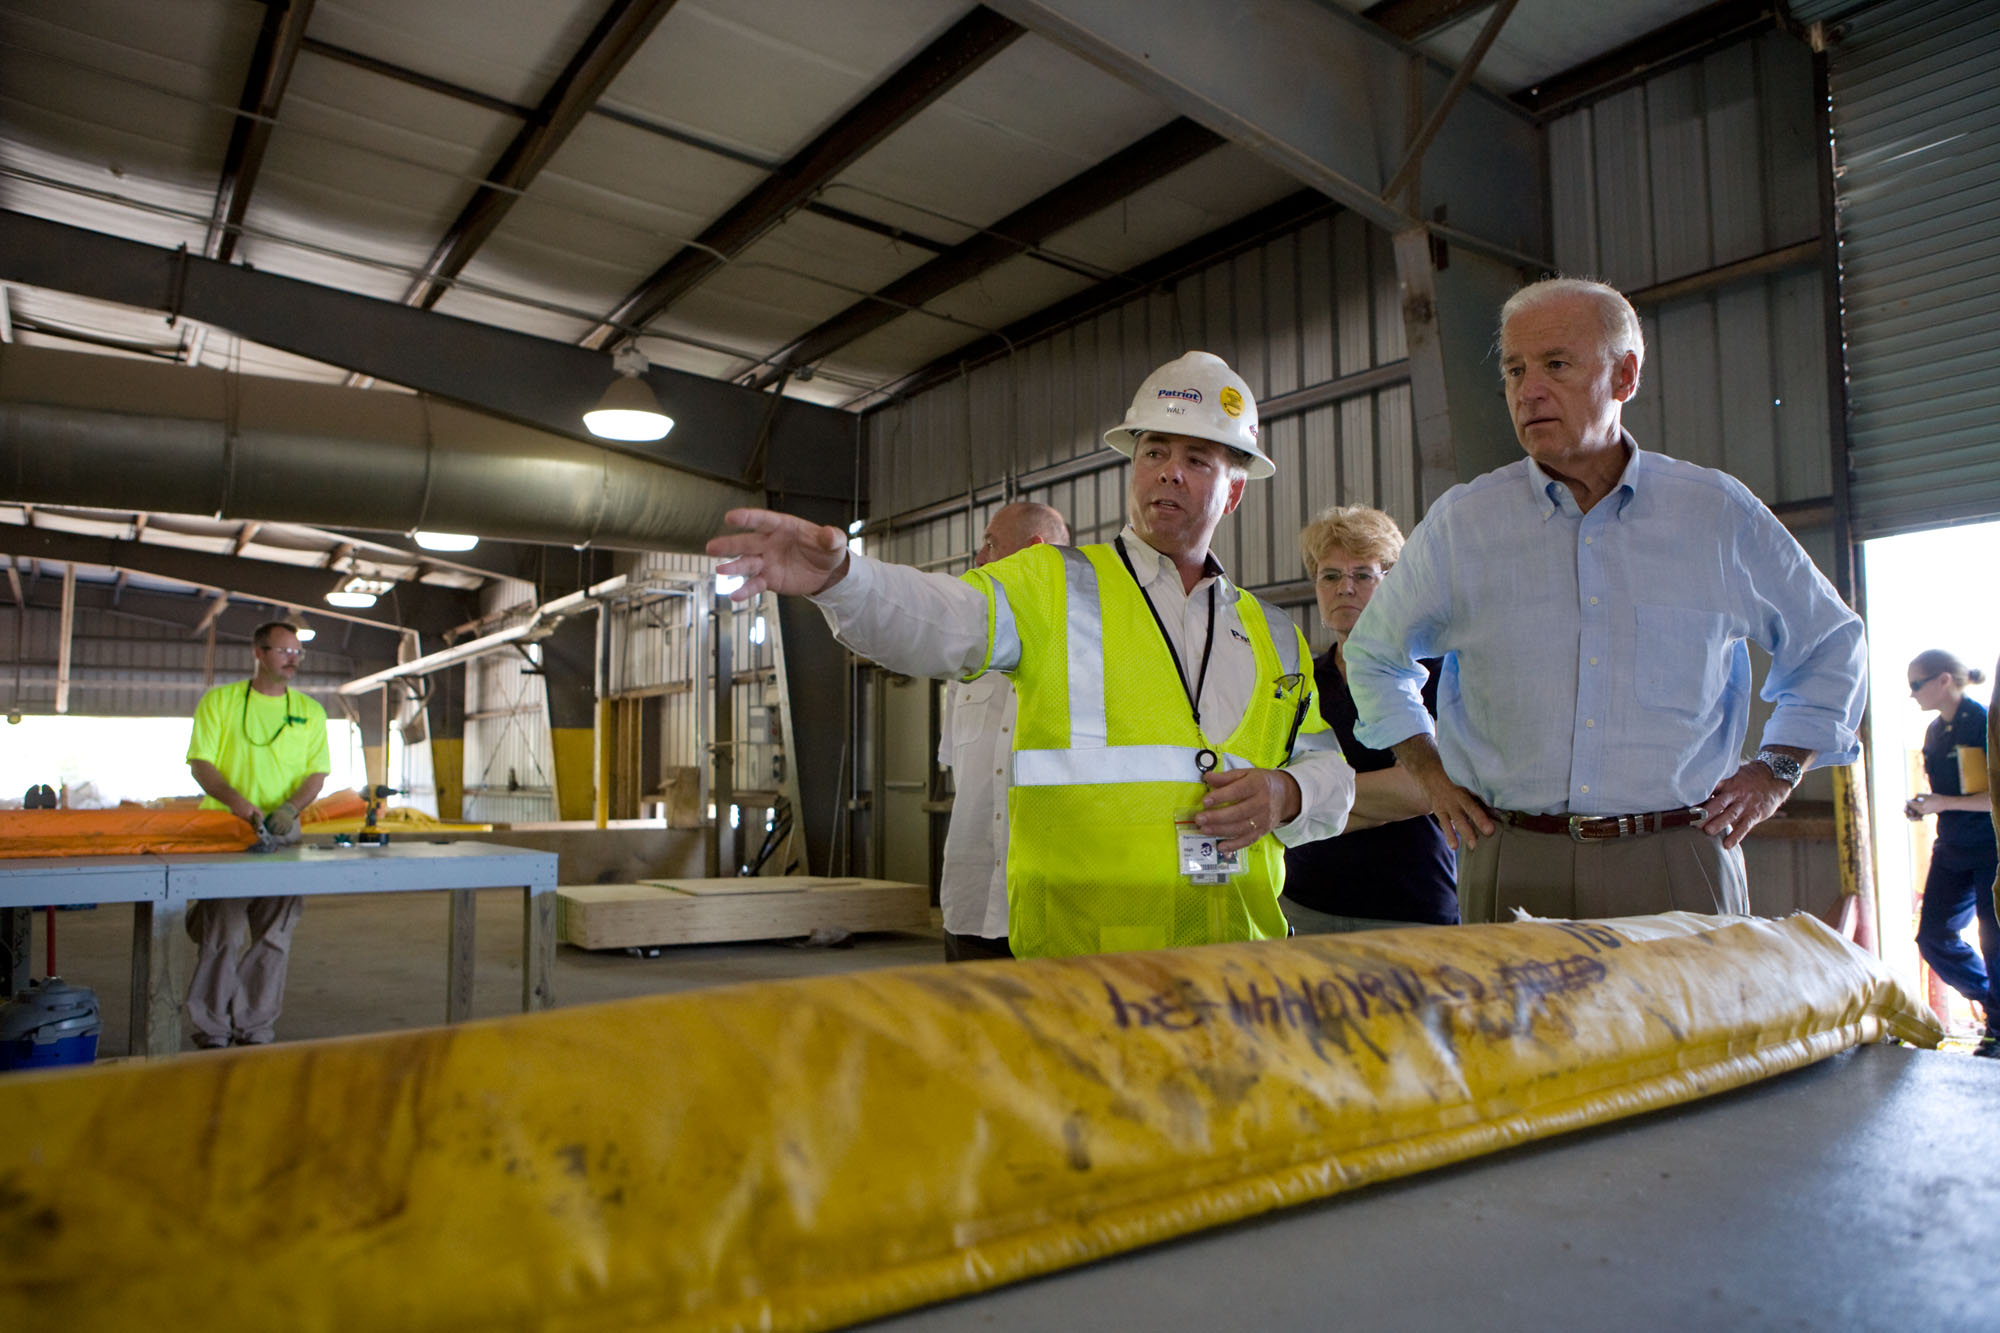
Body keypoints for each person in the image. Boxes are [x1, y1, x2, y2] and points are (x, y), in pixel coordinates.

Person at [710, 351, 1355, 958]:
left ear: (1234, 492)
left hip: (1234, 960)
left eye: (1197, 458)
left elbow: (1330, 771)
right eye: (1154, 450)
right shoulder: (1053, 583)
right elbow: (941, 618)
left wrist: (1288, 791)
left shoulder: (1271, 632)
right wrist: (844, 577)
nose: (1169, 470)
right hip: (1082, 966)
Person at [1344, 277, 1867, 923]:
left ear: (1624, 376)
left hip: (1678, 857)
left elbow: (1831, 643)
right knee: (1517, 1030)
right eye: (1513, 369)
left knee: (1693, 1027)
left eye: (1555, 365)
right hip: (1511, 856)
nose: (1527, 389)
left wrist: (1777, 770)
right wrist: (1424, 767)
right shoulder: (1464, 524)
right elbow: (1373, 655)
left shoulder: (1714, 514)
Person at [1280, 505, 1457, 933]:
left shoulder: (1434, 674)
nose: (1345, 588)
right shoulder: (1300, 680)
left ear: (1392, 584)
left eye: (1363, 575)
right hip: (1304, 904)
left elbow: (1425, 788)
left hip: (1409, 907)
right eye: (1330, 575)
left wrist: (1299, 801)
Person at [184, 621, 330, 1047]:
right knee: (222, 934)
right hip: (227, 831)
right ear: (259, 652)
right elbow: (202, 764)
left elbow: (316, 773)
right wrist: (240, 805)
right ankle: (212, 1027)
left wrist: (289, 809)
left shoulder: (311, 711)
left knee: (275, 935)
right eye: (284, 651)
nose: (293, 659)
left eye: (298, 653)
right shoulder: (220, 703)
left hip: (284, 834)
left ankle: (255, 1025)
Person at [939, 500, 1071, 961]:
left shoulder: (1087, 652)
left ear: (1033, 550)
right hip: (972, 904)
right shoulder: (968, 662)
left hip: (1057, 911)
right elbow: (961, 773)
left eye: (990, 544)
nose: (979, 559)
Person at [1903, 650, 1997, 1058]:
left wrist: (1942, 802)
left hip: (1988, 847)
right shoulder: (1934, 733)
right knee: (1933, 936)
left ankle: (1996, 1030)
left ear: (1944, 680)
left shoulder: (1983, 725)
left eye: (1916, 684)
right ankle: (1992, 1001)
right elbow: (1947, 794)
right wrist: (1926, 804)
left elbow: (1993, 799)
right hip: (1952, 846)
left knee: (1993, 939)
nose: (1912, 695)